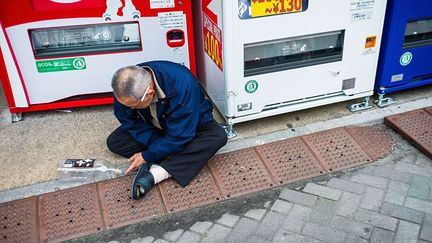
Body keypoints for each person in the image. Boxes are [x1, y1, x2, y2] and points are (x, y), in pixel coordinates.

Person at [106, 61, 227, 200]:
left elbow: (181, 134)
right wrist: (155, 145)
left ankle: (158, 173)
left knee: (217, 136)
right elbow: (128, 120)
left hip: (188, 124)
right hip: (155, 126)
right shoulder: (124, 85)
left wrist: (147, 155)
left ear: (149, 93)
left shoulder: (182, 82)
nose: (130, 109)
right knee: (115, 142)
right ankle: (176, 158)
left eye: (133, 106)